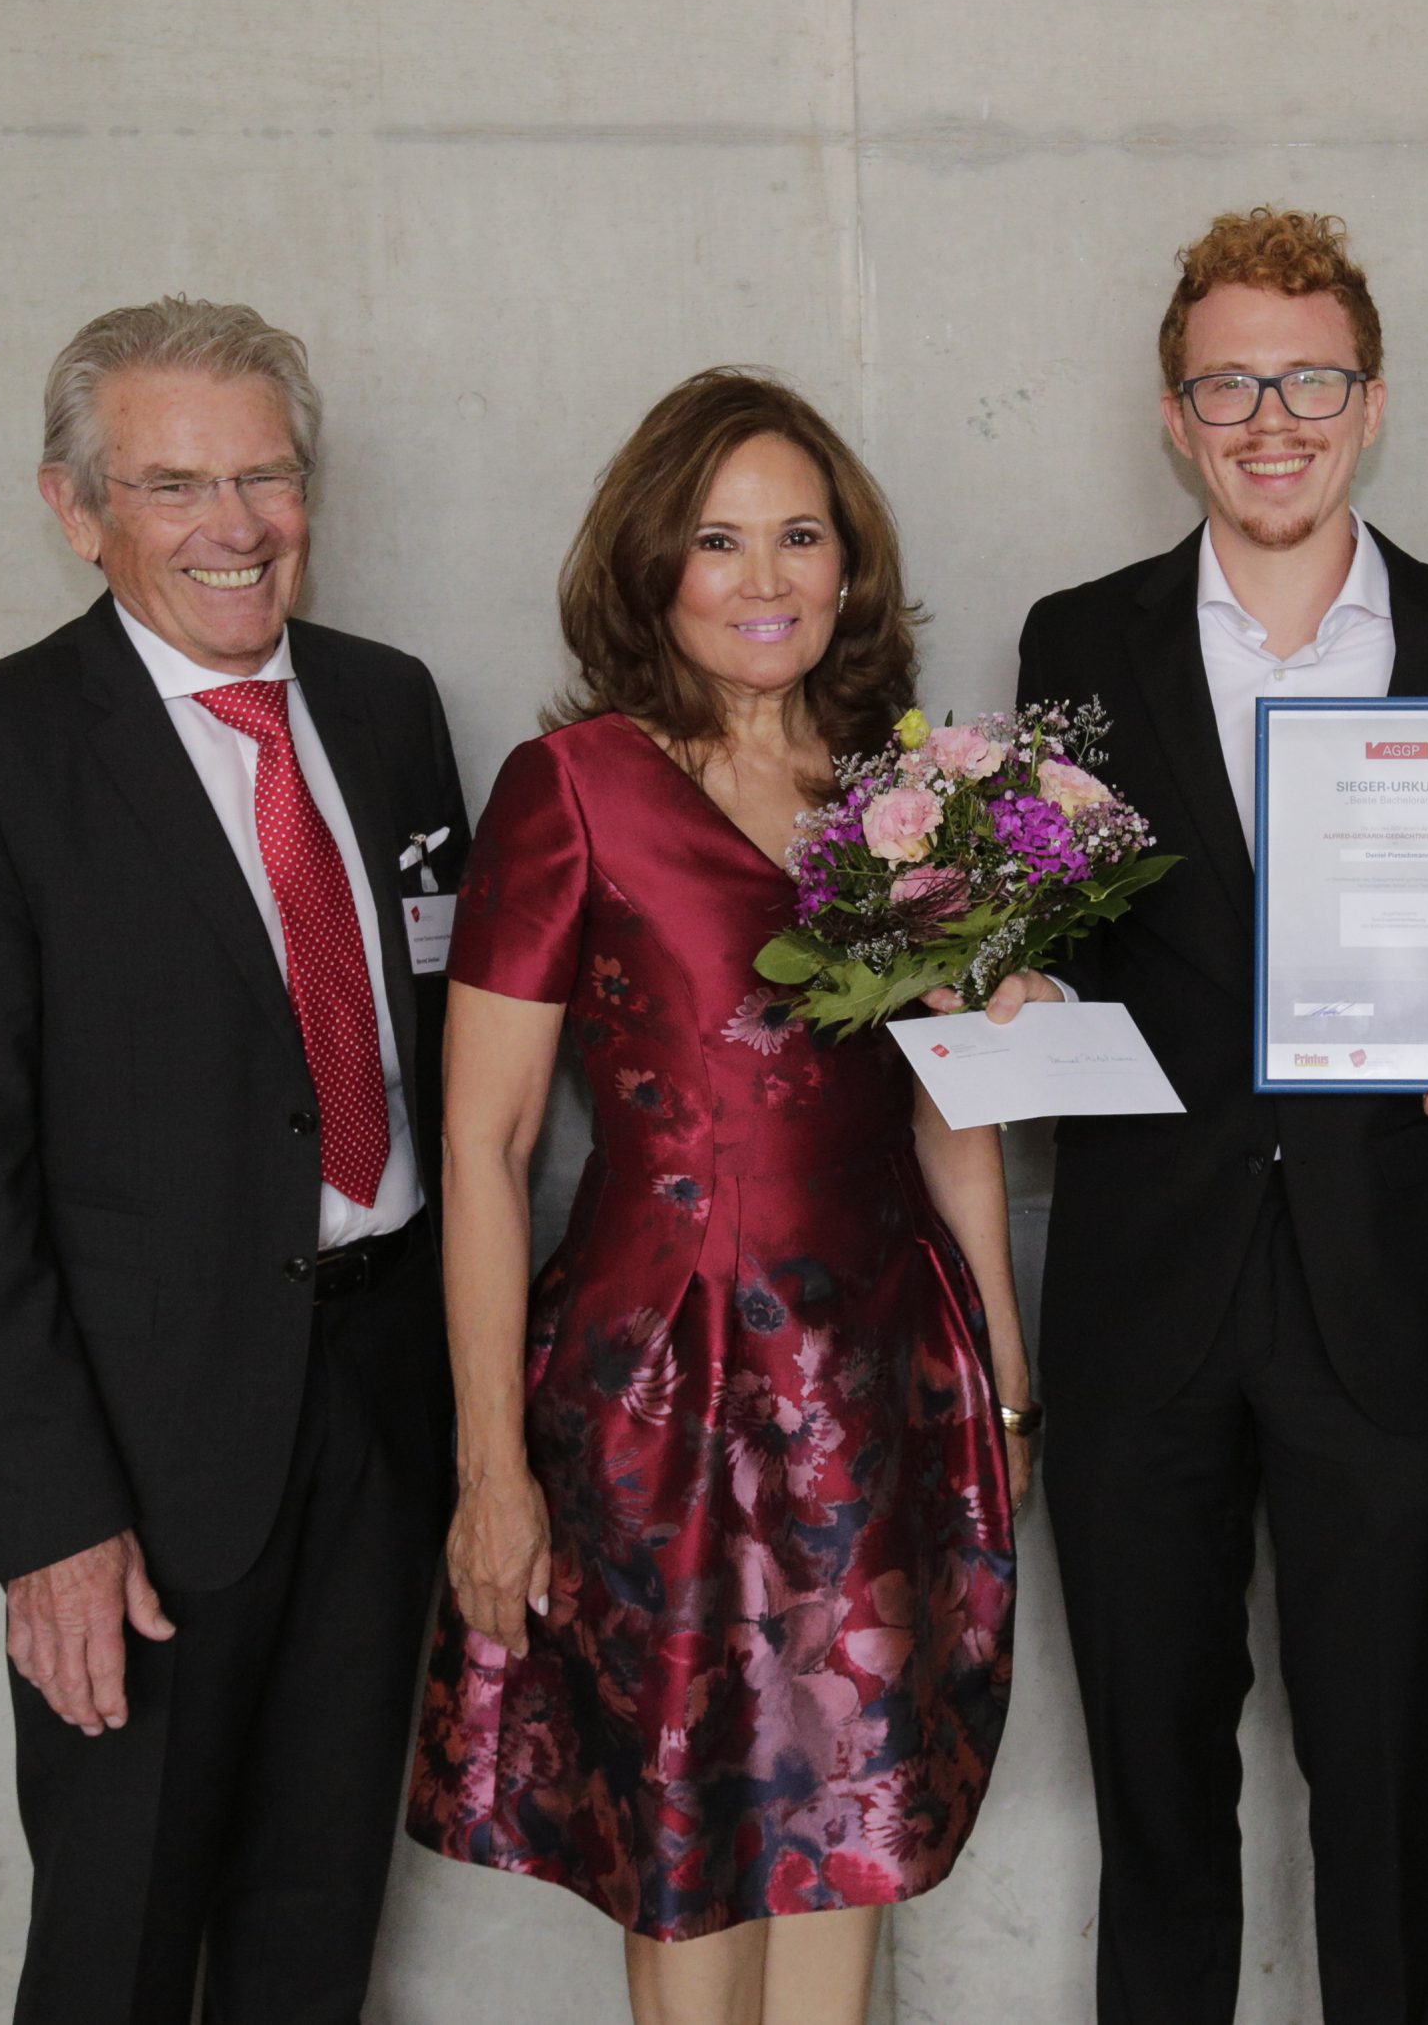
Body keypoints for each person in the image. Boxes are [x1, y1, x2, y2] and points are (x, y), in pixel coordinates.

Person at [0, 296, 469, 2023]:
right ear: (76, 509)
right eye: (178, 485)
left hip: (379, 1405)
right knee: (121, 1938)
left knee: (315, 1916)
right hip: (139, 1463)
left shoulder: (389, 706)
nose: (235, 526)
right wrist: (47, 1525)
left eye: (267, 476)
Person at [402, 369, 1026, 2025]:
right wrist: (488, 1472)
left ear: (849, 565)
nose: (765, 580)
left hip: (882, 1374)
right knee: (684, 1828)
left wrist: (1006, 1390)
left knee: (851, 1816)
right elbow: (484, 1143)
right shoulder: (577, 788)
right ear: (653, 573)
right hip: (660, 1387)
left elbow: (955, 1113)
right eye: (719, 541)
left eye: (800, 536)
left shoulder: (915, 801)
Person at [1002, 208, 1428, 2025]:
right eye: (1229, 382)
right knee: (1159, 1803)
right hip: (1140, 1304)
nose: (1271, 417)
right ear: (1178, 414)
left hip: (1380, 1292)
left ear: (1371, 402)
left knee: (1386, 1793)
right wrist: (1005, 992)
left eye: (1308, 377)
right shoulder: (1077, 642)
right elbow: (1060, 943)